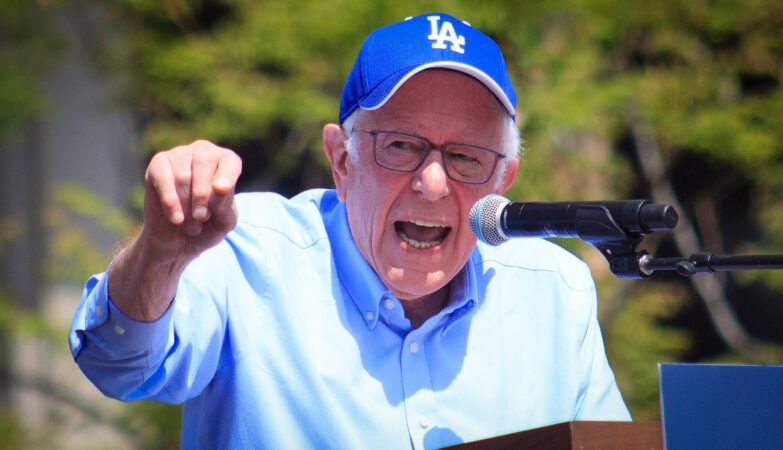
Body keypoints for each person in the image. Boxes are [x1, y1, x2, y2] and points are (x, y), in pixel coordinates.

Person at [69, 12, 629, 449]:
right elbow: (116, 365)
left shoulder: (556, 289)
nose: (432, 183)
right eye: (402, 146)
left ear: (502, 180)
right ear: (341, 159)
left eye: (465, 158)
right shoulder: (247, 248)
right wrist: (160, 256)